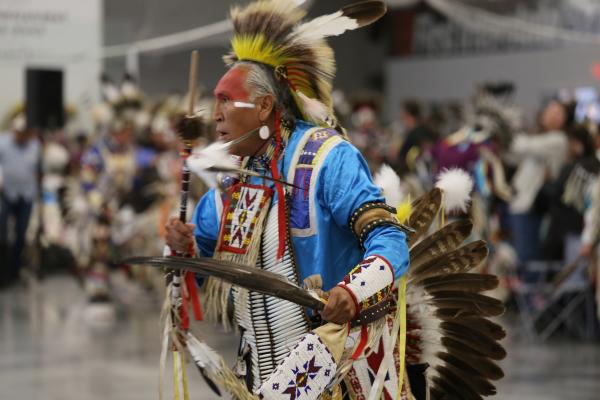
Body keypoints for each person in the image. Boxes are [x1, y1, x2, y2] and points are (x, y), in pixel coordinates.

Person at [166, 1, 411, 398]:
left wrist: (351, 292)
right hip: (261, 382)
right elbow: (195, 274)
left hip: (338, 373)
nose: (216, 114)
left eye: (227, 99)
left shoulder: (328, 158)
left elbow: (391, 240)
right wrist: (182, 248)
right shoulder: (230, 192)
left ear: (264, 106)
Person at [0, 114, 40, 285]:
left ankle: (15, 270)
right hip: (6, 194)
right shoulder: (2, 143)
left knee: (21, 233)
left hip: (27, 194)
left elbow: (38, 170)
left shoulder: (35, 146)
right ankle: (3, 270)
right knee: (2, 232)